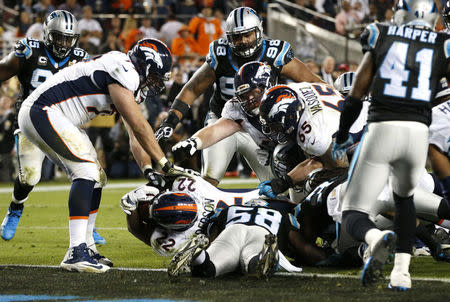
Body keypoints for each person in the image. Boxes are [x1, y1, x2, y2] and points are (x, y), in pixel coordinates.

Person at [17, 38, 196, 273]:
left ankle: (87, 245)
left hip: (57, 117)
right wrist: (164, 163)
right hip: (42, 110)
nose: (155, 83)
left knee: (97, 177)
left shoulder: (131, 83)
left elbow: (134, 135)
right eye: (154, 76)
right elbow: (139, 125)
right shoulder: (124, 69)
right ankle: (75, 251)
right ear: (143, 66)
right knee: (86, 171)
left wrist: (148, 169)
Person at [331, 0, 450, 290]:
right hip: (418, 133)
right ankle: (401, 273)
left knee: (352, 211)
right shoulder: (443, 43)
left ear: (400, 12)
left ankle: (374, 239)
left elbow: (356, 92)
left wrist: (343, 132)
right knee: (405, 199)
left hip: (383, 126)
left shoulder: (379, 33)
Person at [156, 7, 324, 186]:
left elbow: (313, 83)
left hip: (262, 125)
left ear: (258, 31)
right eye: (237, 37)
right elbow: (192, 88)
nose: (243, 41)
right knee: (210, 180)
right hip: (222, 120)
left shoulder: (274, 54)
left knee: (277, 184)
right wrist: (171, 121)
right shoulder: (221, 55)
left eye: (247, 35)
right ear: (229, 38)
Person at [0, 10, 92, 242]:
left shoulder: (81, 58)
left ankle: (88, 226)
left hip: (63, 124)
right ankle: (16, 207)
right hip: (30, 121)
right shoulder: (30, 51)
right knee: (30, 177)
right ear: (48, 35)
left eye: (67, 38)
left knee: (92, 174)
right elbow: (2, 70)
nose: (63, 43)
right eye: (59, 37)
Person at [257, 82, 367, 200]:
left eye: (276, 126)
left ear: (290, 116)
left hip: (374, 134)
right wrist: (282, 183)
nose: (275, 131)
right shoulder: (294, 89)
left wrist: (290, 182)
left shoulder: (312, 133)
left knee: (317, 183)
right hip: (368, 110)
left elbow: (342, 171)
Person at [171, 62, 277, 184]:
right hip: (274, 152)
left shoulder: (288, 101)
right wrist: (195, 142)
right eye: (245, 95)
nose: (250, 100)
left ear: (267, 86)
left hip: (293, 155)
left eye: (254, 92)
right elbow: (218, 129)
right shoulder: (236, 107)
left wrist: (278, 153)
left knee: (285, 187)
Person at [120, 174, 261, 257]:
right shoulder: (191, 186)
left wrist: (131, 208)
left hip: (247, 220)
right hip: (255, 199)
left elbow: (136, 230)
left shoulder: (173, 241)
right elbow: (163, 180)